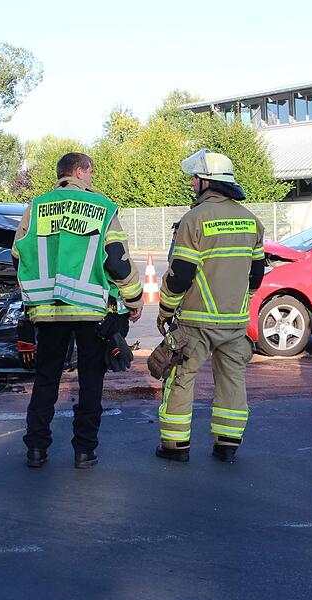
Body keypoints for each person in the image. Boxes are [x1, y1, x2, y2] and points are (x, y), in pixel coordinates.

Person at [13, 152, 143, 470]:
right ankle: (84, 451)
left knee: (46, 380)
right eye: (92, 172)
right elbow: (116, 260)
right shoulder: (102, 208)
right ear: (81, 172)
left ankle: (36, 449)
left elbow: (18, 256)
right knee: (90, 381)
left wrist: (33, 299)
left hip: (48, 311)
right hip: (90, 311)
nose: (92, 177)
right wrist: (134, 298)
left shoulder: (37, 207)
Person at [154, 149, 265, 464]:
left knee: (181, 377)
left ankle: (175, 447)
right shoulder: (250, 220)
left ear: (206, 182)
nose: (191, 183)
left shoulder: (194, 219)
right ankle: (227, 444)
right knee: (232, 380)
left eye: (194, 178)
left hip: (196, 322)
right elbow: (256, 275)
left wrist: (165, 311)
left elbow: (180, 276)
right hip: (234, 322)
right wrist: (240, 302)